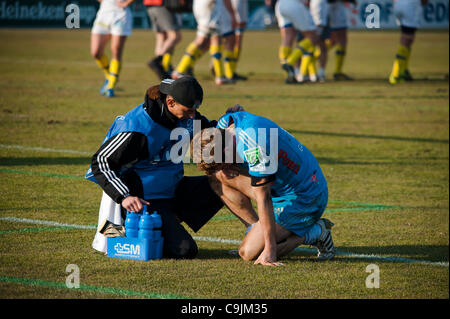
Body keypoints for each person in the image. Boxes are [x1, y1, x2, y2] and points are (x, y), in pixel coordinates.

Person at [86, 77, 224, 259]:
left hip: (172, 191)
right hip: (144, 199)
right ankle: (137, 228)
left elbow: (210, 130)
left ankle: (168, 220)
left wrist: (229, 121)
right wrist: (125, 196)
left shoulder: (185, 116)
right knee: (185, 250)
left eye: (195, 110)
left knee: (225, 183)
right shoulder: (136, 127)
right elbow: (100, 161)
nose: (193, 115)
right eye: (189, 110)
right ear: (170, 102)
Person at [191, 108, 336, 266]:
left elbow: (263, 196)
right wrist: (223, 167)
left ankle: (316, 232)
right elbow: (237, 111)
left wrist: (270, 249)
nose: (224, 168)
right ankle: (253, 229)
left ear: (225, 150)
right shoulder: (224, 125)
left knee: (248, 253)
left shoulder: (255, 146)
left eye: (221, 163)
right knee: (216, 177)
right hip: (281, 187)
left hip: (306, 195)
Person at [172, 0, 236, 85]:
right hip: (209, 7)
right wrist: (232, 13)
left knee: (211, 39)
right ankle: (179, 71)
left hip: (200, 6)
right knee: (208, 39)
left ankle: (220, 76)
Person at [91, 0, 136, 97]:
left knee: (116, 51)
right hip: (104, 14)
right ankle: (110, 76)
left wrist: (127, 3)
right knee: (96, 52)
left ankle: (110, 87)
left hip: (120, 15)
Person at [277, 0, 320, 84]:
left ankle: (289, 75)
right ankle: (289, 62)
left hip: (281, 4)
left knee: (288, 37)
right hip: (295, 4)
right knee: (312, 37)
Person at [389, 0, 428, 84]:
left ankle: (403, 70)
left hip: (398, 5)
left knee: (408, 37)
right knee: (407, 38)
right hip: (411, 5)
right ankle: (395, 73)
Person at [144, 0, 184, 80]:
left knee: (161, 36)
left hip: (149, 4)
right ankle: (157, 61)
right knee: (175, 36)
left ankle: (161, 68)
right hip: (162, 4)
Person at [326, 0, 354, 81]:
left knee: (334, 40)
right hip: (335, 10)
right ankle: (337, 72)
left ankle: (338, 71)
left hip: (334, 9)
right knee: (340, 39)